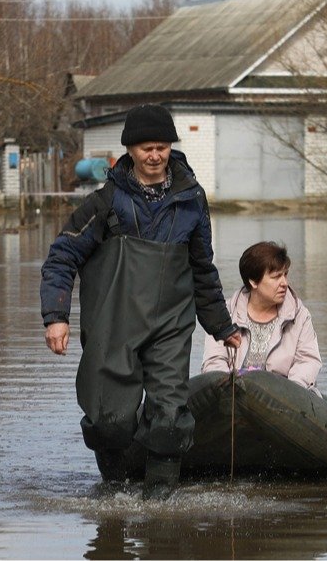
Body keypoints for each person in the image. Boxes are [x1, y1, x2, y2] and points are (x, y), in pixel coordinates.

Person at [40, 103, 241, 500]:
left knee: (169, 418)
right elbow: (62, 256)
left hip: (171, 324)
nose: (155, 156)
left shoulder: (192, 200)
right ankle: (114, 494)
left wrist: (222, 327)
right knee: (109, 422)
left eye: (162, 147)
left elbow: (203, 268)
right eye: (147, 148)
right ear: (129, 150)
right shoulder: (106, 202)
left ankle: (158, 506)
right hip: (114, 325)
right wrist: (56, 316)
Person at [202, 241, 322, 392]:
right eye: (276, 277)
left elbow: (308, 361)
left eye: (285, 274)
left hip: (286, 402)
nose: (284, 283)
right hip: (234, 397)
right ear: (253, 281)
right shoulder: (224, 314)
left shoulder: (299, 315)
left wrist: (288, 394)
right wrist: (228, 389)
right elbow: (213, 362)